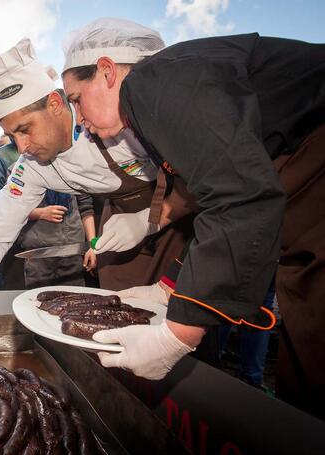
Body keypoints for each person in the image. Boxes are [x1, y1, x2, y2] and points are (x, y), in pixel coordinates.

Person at [60, 18, 325, 416]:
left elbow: (241, 196)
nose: (78, 117)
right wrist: (170, 286)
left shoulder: (151, 84)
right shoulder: (169, 87)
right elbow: (214, 202)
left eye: (76, 98)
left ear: (108, 71)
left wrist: (177, 336)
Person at [0, 38, 193, 360]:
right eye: (13, 135)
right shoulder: (29, 167)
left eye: (25, 129)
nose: (22, 145)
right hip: (120, 233)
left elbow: (206, 184)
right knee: (113, 330)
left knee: (185, 320)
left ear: (57, 104)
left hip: (180, 220)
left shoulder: (115, 121)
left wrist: (150, 219)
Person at [0, 141, 88, 288]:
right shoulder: (4, 159)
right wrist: (36, 213)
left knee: (76, 298)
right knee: (38, 298)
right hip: (35, 248)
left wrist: (90, 244)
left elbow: (85, 200)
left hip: (71, 245)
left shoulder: (66, 157)